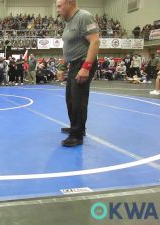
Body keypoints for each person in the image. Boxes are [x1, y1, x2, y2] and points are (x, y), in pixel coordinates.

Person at [57, 0, 100, 147]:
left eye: (59, 6)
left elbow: (95, 42)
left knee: (78, 100)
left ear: (70, 3)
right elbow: (67, 46)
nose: (58, 9)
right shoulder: (69, 21)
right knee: (70, 99)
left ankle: (77, 135)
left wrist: (86, 67)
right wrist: (61, 67)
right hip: (74, 64)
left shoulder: (84, 16)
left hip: (83, 63)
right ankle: (76, 127)